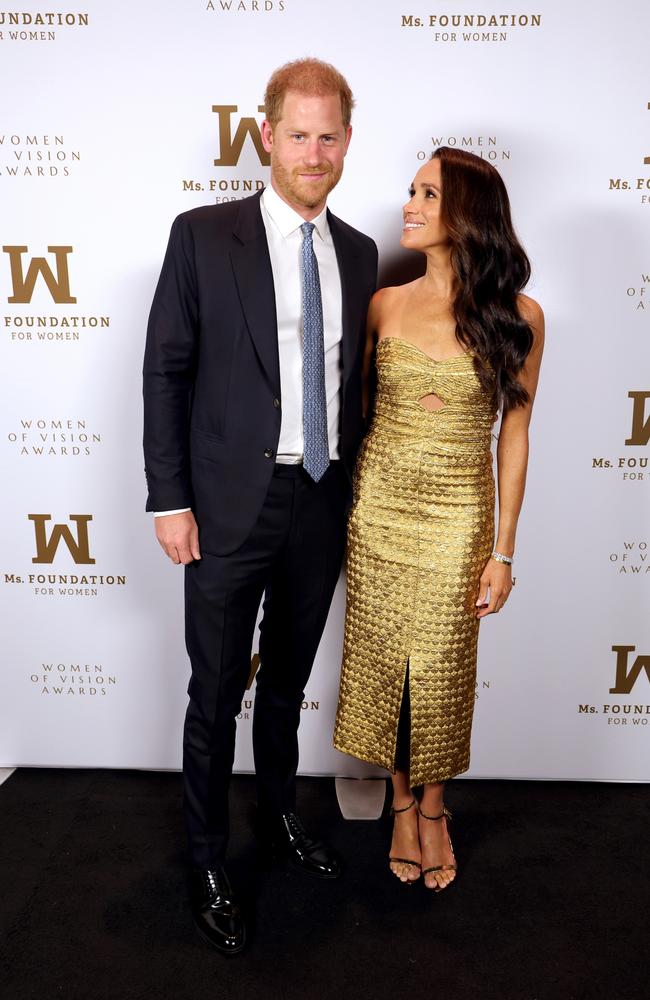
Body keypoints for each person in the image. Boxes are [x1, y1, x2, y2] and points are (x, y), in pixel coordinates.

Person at [143, 58, 377, 953]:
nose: (313, 153)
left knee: (284, 686)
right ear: (266, 136)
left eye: (329, 136)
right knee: (215, 696)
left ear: (347, 142)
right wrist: (171, 499)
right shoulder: (203, 236)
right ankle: (207, 859)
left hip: (320, 500)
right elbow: (166, 370)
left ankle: (278, 820)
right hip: (226, 506)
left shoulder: (356, 251)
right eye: (297, 134)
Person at [334, 146, 544, 891]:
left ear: (467, 215)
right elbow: (351, 415)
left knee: (444, 670)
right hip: (380, 510)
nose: (410, 205)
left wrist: (505, 551)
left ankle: (434, 807)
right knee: (388, 663)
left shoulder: (519, 317)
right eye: (411, 190)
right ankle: (397, 801)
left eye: (428, 194)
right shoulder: (385, 303)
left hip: (460, 515)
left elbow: (513, 434)